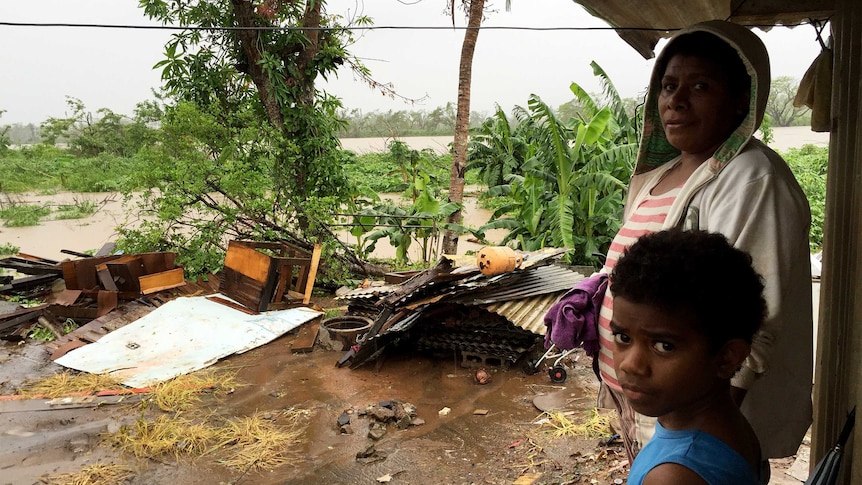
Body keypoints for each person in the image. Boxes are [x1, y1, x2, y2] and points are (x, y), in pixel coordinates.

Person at [593, 19, 813, 474]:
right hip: (660, 416)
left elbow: (753, 318)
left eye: (700, 86)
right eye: (669, 85)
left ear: (740, 101)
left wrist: (697, 441)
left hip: (694, 429)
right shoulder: (661, 176)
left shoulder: (751, 178)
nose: (676, 99)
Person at [611, 229, 766, 485]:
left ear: (727, 357)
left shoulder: (675, 474)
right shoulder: (727, 427)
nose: (631, 365)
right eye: (623, 338)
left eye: (664, 346)